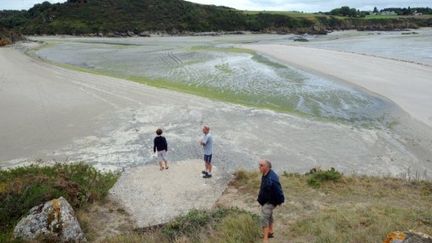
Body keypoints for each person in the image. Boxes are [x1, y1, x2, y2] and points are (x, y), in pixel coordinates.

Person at [257, 160, 285, 243]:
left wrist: (280, 201)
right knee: (269, 215)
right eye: (259, 165)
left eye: (261, 165)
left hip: (270, 201)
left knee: (264, 217)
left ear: (267, 167)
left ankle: (265, 239)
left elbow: (279, 191)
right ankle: (270, 231)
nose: (259, 167)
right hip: (265, 200)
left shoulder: (272, 178)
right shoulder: (265, 173)